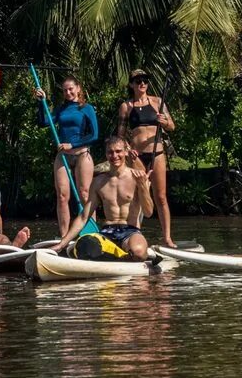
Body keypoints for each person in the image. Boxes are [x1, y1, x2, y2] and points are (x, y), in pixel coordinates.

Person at [49, 136, 153, 260]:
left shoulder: (138, 178)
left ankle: (123, 254)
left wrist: (143, 187)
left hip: (130, 232)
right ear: (106, 154)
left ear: (126, 152)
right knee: (86, 248)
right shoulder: (98, 182)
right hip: (107, 233)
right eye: (110, 152)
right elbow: (84, 217)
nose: (114, 156)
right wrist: (62, 244)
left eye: (118, 151)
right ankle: (115, 255)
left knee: (138, 252)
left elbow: (148, 212)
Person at [118, 69, 177, 247]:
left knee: (160, 196)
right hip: (136, 156)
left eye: (144, 80)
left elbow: (172, 126)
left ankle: (167, 238)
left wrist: (164, 122)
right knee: (137, 197)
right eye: (137, 81)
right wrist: (127, 149)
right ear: (132, 84)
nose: (142, 84)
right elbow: (120, 135)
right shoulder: (126, 106)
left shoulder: (158, 102)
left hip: (156, 153)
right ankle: (135, 236)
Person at [36, 76, 98, 239]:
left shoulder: (87, 108)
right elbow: (43, 122)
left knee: (85, 193)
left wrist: (73, 144)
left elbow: (94, 135)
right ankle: (64, 236)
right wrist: (41, 102)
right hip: (63, 156)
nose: (68, 92)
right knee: (62, 196)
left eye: (71, 89)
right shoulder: (61, 109)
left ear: (78, 89)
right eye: (64, 90)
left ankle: (90, 234)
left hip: (82, 154)